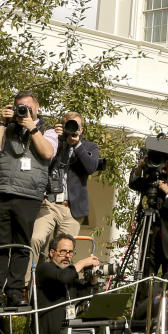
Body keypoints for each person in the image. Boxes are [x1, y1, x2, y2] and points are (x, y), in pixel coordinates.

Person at [0, 91, 56, 308]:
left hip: (29, 195)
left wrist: (31, 127)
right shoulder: (6, 127)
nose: (23, 111)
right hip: (5, 191)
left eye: (27, 107)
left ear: (37, 108)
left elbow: (47, 153)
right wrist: (1, 123)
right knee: (0, 245)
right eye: (19, 107)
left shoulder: (48, 131)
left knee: (22, 245)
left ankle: (15, 290)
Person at [31, 112, 101, 263]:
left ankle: (56, 284)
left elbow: (91, 168)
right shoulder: (54, 141)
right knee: (36, 238)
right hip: (48, 204)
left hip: (72, 209)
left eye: (75, 126)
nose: (72, 129)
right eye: (68, 125)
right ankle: (27, 284)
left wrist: (77, 145)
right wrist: (56, 138)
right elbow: (42, 160)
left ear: (81, 130)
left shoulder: (89, 147)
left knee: (64, 252)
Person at [35, 233, 100, 334]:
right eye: (63, 251)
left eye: (70, 252)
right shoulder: (44, 268)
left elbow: (86, 295)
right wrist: (82, 263)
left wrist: (93, 279)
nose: (67, 256)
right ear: (52, 252)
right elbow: (63, 277)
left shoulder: (70, 275)